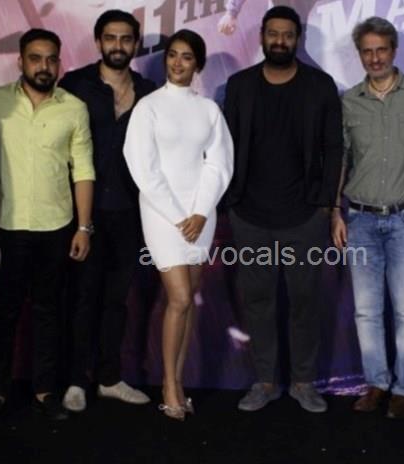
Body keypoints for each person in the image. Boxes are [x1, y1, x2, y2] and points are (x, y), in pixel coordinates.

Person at [223, 6, 342, 413]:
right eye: (273, 33)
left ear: (297, 38)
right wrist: (232, 203)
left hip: (304, 217)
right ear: (261, 36)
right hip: (250, 217)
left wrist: (326, 205)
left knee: (304, 301)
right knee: (258, 302)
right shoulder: (239, 86)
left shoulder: (320, 86)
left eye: (287, 35)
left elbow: (333, 148)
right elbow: (225, 147)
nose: (279, 41)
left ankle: (303, 382)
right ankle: (265, 381)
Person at [0, 28, 95, 423]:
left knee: (49, 312)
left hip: (56, 228)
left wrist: (83, 227)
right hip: (6, 228)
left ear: (59, 63)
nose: (43, 66)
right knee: (4, 313)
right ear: (20, 61)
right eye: (35, 58)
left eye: (51, 59)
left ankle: (46, 391)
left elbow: (83, 170)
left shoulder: (74, 108)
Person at [124, 29, 234, 421]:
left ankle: (180, 381)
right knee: (181, 298)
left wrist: (201, 211)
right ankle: (169, 384)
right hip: (161, 214)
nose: (177, 62)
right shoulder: (148, 107)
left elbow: (219, 163)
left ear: (197, 64)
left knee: (189, 301)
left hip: (201, 214)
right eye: (172, 54)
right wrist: (177, 216)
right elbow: (143, 167)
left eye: (187, 56)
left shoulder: (209, 110)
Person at [333, 17, 404, 419]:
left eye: (381, 50)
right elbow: (341, 160)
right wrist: (334, 212)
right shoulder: (348, 102)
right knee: (366, 311)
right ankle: (376, 383)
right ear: (359, 55)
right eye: (367, 51)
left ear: (394, 50)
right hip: (360, 220)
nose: (375, 58)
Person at [59, 9, 155, 413]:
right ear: (99, 42)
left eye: (126, 38)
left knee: (117, 300)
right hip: (82, 212)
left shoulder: (149, 92)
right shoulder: (74, 85)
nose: (118, 45)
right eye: (111, 38)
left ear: (136, 44)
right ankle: (76, 381)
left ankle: (109, 378)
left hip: (130, 213)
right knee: (82, 297)